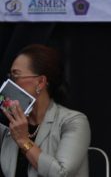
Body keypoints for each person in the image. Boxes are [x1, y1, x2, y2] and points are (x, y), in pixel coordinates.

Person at [0, 44, 90, 177]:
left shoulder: (74, 121)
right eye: (10, 76)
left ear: (41, 82)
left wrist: (24, 141)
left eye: (16, 76)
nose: (9, 83)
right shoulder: (11, 125)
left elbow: (62, 173)